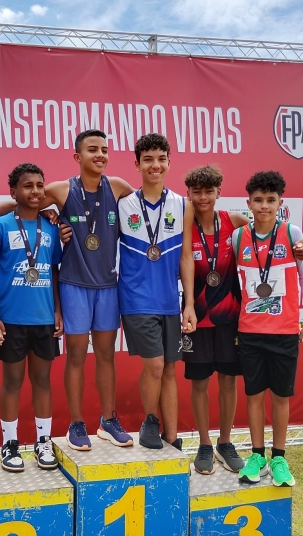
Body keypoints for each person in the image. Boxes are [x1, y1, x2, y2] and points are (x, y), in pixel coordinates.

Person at [183, 166, 303, 475]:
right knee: (199, 382)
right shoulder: (185, 225)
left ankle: (225, 443)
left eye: (209, 191)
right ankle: (204, 444)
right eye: (196, 191)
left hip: (232, 318)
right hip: (197, 317)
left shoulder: (235, 223)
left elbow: (268, 232)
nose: (203, 197)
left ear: (219, 192)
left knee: (229, 382)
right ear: (188, 194)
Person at [42, 129, 136, 451]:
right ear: (77, 156)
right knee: (77, 357)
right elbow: (26, 205)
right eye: (92, 149)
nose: (100, 155)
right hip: (74, 285)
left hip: (109, 286)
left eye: (104, 150)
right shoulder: (61, 189)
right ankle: (76, 423)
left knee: (107, 356)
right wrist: (50, 218)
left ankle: (108, 420)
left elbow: (146, 212)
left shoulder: (120, 187)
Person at [232, 171, 303, 487]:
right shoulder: (238, 237)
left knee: (280, 396)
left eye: (270, 200)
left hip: (284, 331)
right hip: (251, 331)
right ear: (249, 203)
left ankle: (279, 457)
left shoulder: (292, 233)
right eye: (258, 200)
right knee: (254, 395)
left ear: (280, 202)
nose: (264, 206)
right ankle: (257, 456)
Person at [117, 133, 196, 450]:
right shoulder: (125, 203)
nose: (155, 165)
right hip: (136, 299)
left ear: (169, 162)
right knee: (155, 365)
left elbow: (186, 257)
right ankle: (150, 421)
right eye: (148, 159)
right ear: (137, 164)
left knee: (169, 370)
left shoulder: (182, 205)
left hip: (169, 302)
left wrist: (188, 303)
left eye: (161, 158)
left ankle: (173, 438)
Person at [0, 163, 64, 472]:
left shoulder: (51, 227)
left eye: (39, 186)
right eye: (27, 186)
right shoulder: (0, 226)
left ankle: (43, 441)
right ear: (13, 192)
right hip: (10, 318)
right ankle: (9, 444)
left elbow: (55, 272)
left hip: (44, 318)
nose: (35, 191)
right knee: (12, 382)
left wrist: (58, 310)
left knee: (42, 381)